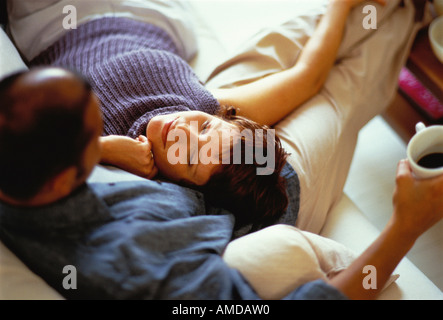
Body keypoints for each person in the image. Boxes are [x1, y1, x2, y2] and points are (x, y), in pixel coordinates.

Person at [1, 67, 443, 300]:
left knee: (303, 79)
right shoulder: (140, 260)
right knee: (337, 96)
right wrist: (406, 226)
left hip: (236, 150)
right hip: (254, 200)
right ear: (64, 179)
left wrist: (105, 149)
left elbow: (219, 132)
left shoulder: (26, 169)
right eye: (90, 138)